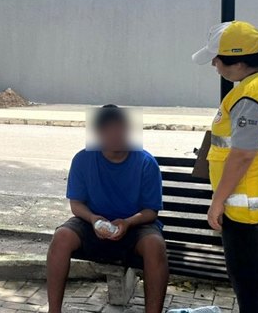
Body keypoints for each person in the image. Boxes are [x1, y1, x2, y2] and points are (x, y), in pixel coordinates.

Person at [192, 21, 258, 313]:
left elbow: (241, 155)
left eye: (217, 58)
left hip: (249, 210)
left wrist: (217, 202)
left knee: (250, 288)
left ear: (237, 61)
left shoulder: (250, 96)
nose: (214, 63)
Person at [46, 105, 168, 313]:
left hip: (136, 225)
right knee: (61, 238)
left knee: (155, 245)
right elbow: (76, 205)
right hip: (91, 222)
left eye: (121, 130)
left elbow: (151, 211)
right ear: (99, 133)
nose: (116, 136)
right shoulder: (83, 159)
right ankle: (54, 310)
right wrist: (94, 219)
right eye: (110, 131)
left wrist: (128, 222)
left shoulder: (146, 163)